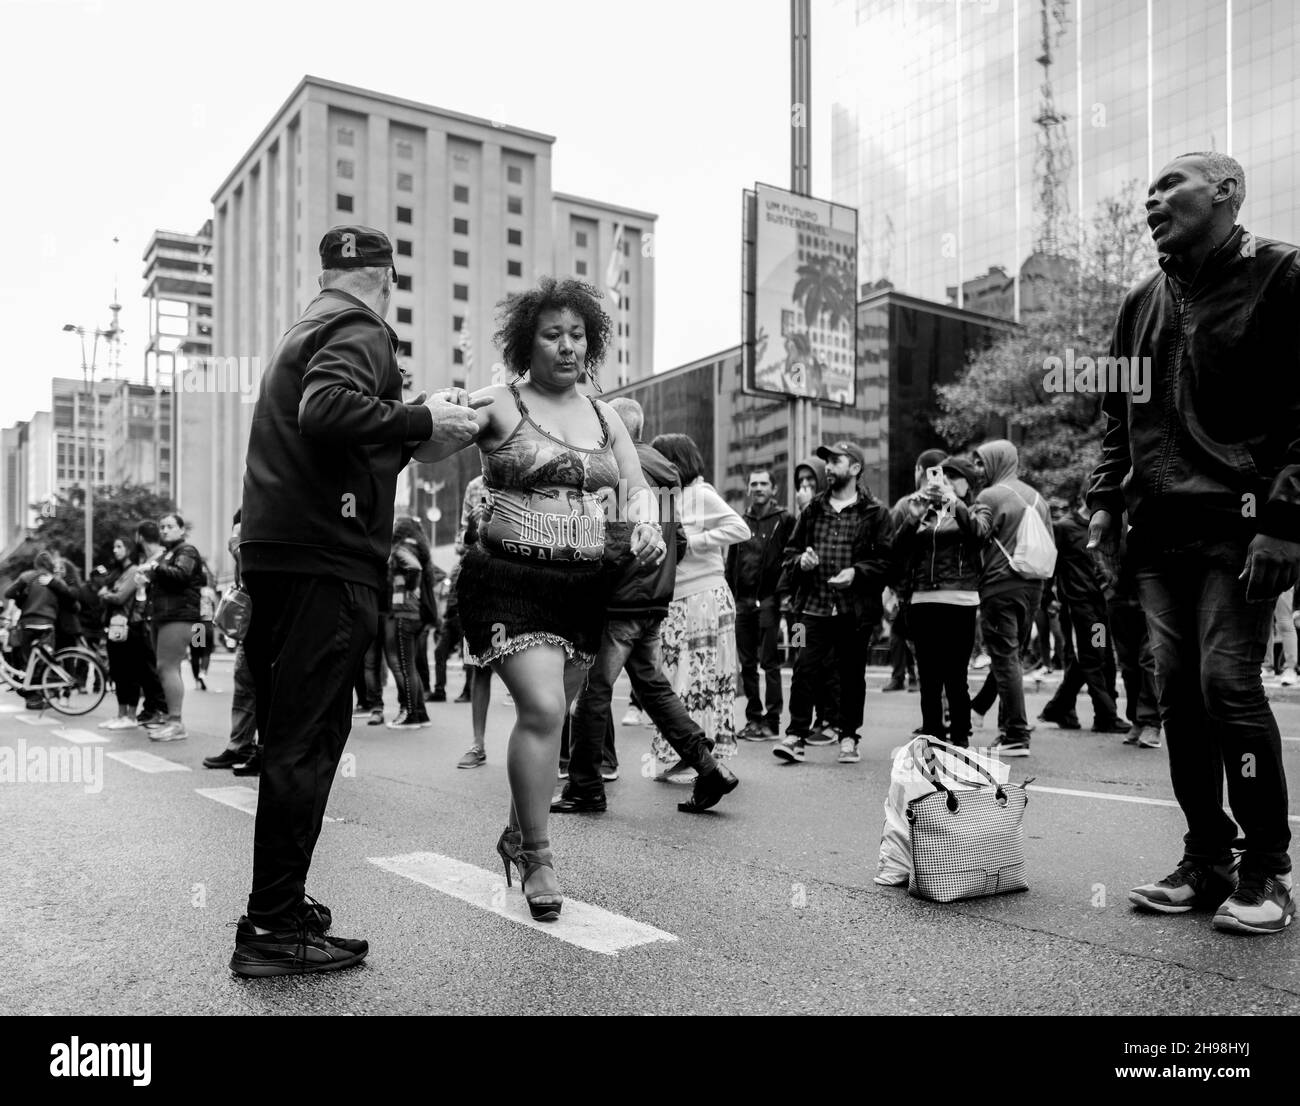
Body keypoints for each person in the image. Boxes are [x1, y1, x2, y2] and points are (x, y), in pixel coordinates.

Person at [231, 225, 484, 976]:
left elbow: (337, 433)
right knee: (306, 743)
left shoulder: (307, 324)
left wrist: (415, 432)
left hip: (281, 550)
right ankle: (273, 929)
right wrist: (421, 419)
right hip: (325, 558)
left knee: (292, 736)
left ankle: (279, 906)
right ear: (388, 277)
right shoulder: (361, 326)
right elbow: (327, 410)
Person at [1088, 152, 1300, 934]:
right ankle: (1206, 857)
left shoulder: (1283, 276)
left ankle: (1267, 870)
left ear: (1226, 192)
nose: (1151, 198)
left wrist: (1285, 520)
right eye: (1146, 188)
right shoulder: (1139, 301)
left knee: (1227, 686)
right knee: (1177, 693)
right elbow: (1117, 418)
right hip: (1156, 535)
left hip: (1242, 527)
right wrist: (1105, 501)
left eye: (1170, 184)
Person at [419, 276, 665, 922]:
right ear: (527, 341)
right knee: (543, 704)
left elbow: (636, 487)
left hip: (584, 585)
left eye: (577, 334)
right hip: (509, 581)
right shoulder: (499, 401)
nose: (566, 346)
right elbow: (428, 447)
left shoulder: (605, 415)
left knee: (552, 718)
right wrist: (436, 418)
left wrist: (644, 524)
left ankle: (514, 831)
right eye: (552, 335)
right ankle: (538, 855)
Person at [555, 400, 740, 815]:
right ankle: (710, 769)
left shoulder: (614, 466)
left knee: (593, 691)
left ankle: (585, 787)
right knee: (653, 689)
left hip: (619, 597)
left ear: (614, 425)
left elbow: (612, 537)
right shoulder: (667, 469)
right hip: (655, 596)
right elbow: (680, 540)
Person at [774, 440, 894, 765]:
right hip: (811, 607)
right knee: (803, 668)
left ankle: (848, 736)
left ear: (855, 468)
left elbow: (886, 561)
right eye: (826, 461)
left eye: (836, 461)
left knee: (852, 675)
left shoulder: (875, 512)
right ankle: (796, 735)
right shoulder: (812, 509)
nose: (828, 467)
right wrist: (802, 561)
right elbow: (789, 554)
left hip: (854, 611)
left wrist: (857, 572)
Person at [647, 432, 749, 779]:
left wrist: (693, 541)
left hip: (704, 597)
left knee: (698, 679)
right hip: (679, 600)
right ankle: (690, 755)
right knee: (679, 679)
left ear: (674, 461)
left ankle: (698, 759)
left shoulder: (700, 493)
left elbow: (740, 528)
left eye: (660, 458)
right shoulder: (668, 498)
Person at [957, 439, 1052, 757]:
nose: (977, 469)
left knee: (1005, 658)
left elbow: (976, 533)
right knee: (1012, 657)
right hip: (1034, 587)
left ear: (998, 462)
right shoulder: (1037, 497)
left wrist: (957, 507)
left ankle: (1016, 733)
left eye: (982, 462)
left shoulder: (989, 496)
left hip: (1000, 586)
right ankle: (999, 723)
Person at [892, 455, 982, 747]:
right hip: (922, 601)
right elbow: (896, 551)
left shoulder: (975, 509)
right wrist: (913, 516)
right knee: (929, 681)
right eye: (944, 476)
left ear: (967, 484)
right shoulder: (925, 513)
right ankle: (933, 743)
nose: (947, 482)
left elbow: (979, 534)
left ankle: (960, 744)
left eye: (954, 477)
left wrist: (954, 502)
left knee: (956, 678)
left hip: (960, 601)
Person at [1037, 487, 1129, 734]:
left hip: (1100, 605)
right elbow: (1051, 565)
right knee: (1092, 657)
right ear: (1083, 499)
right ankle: (1106, 716)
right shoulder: (1065, 528)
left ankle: (1059, 708)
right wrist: (1048, 599)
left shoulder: (1107, 526)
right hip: (1078, 606)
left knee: (1099, 656)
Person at [726, 469, 795, 740]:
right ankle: (754, 719)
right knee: (747, 664)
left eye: (764, 483)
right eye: (754, 483)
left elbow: (791, 557)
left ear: (774, 489)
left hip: (769, 600)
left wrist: (783, 594)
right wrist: (729, 596)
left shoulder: (784, 519)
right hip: (742, 602)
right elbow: (732, 562)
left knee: (770, 663)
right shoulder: (740, 521)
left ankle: (773, 720)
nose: (758, 488)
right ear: (748, 489)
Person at [780, 454, 839, 745]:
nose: (803, 488)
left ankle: (828, 719)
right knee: (802, 662)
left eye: (809, 482)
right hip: (799, 609)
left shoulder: (826, 515)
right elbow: (788, 561)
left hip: (827, 607)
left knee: (827, 664)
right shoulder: (800, 518)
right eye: (799, 483)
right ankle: (811, 721)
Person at [136, 513, 204, 743]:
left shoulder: (187, 551)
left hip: (179, 616)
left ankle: (176, 722)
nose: (164, 530)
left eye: (170, 526)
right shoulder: (168, 554)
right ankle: (170, 720)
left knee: (168, 667)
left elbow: (181, 576)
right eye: (162, 527)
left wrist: (153, 568)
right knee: (163, 667)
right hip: (164, 616)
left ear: (181, 529)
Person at [204, 510, 262, 772]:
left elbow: (249, 564)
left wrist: (238, 542)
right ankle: (240, 745)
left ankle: (259, 750)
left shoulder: (255, 542)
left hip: (265, 624)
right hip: (250, 626)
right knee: (244, 684)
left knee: (260, 687)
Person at [886, 450, 947, 693]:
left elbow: (893, 550)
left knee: (921, 654)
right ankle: (942, 712)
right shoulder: (951, 505)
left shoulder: (905, 505)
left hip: (912, 592)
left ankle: (934, 715)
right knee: (942, 659)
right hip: (945, 590)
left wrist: (892, 586)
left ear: (920, 470)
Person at [97, 537, 166, 730]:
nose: (115, 550)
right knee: (118, 673)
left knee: (130, 673)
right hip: (115, 626)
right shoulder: (117, 572)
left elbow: (119, 598)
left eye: (119, 546)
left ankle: (131, 716)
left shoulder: (134, 571)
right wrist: (107, 594)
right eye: (114, 546)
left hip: (131, 627)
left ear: (128, 549)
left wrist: (105, 595)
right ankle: (120, 714)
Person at [5, 551, 75, 709]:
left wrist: (22, 601)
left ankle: (33, 698)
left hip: (27, 625)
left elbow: (8, 593)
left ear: (36, 563)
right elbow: (71, 599)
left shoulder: (27, 576)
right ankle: (47, 693)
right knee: (44, 661)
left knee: (27, 663)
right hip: (46, 625)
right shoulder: (54, 581)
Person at [383, 516, 433, 730]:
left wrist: (409, 588)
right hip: (416, 614)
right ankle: (420, 713)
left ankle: (411, 714)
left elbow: (413, 569)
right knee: (410, 666)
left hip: (404, 613)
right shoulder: (418, 550)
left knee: (405, 666)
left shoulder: (401, 549)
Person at [190, 576, 217, 691]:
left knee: (195, 653)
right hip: (208, 624)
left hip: (197, 625)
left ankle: (196, 679)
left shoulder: (193, 591)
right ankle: (202, 673)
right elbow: (216, 607)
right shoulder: (210, 592)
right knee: (206, 652)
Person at [1266, 588, 1298, 685]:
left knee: (1284, 621)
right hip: (1261, 578)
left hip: (1282, 576)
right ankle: (1266, 666)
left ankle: (1290, 668)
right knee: (1264, 622)